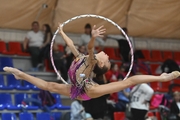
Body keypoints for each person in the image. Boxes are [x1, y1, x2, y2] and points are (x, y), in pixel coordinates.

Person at [3, 23, 180, 101]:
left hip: (88, 90)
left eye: (108, 59)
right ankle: (21, 74)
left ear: (100, 64)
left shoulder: (90, 61)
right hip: (76, 86)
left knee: (129, 81)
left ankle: (163, 78)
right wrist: (61, 31)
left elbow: (89, 49)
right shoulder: (81, 59)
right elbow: (71, 45)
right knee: (49, 86)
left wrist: (161, 78)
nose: (108, 55)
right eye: (109, 57)